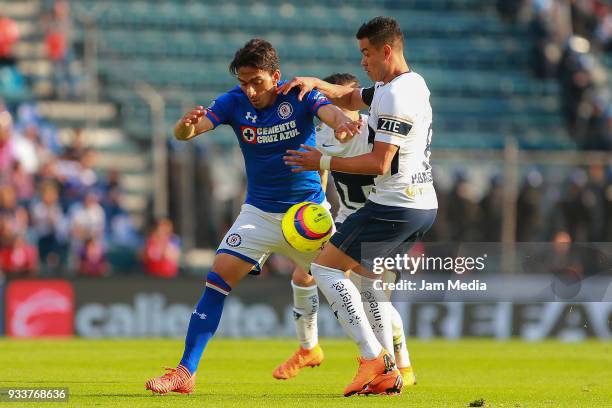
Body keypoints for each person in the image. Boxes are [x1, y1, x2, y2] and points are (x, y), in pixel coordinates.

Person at [144, 38, 359, 395]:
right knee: (218, 277)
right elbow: (187, 133)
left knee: (344, 287)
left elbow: (330, 111)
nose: (250, 90)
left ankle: (376, 360)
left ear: (275, 76)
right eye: (244, 82)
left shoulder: (299, 95)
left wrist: (340, 123)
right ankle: (185, 372)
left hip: (307, 216)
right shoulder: (233, 102)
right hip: (258, 212)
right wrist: (184, 127)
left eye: (256, 81)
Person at [280, 16, 437, 396]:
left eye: (366, 53)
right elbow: (351, 97)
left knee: (324, 269)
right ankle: (391, 371)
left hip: (395, 203)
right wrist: (318, 86)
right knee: (368, 287)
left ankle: (373, 359)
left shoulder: (398, 96)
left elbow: (379, 163)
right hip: (420, 204)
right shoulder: (402, 84)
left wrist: (322, 161)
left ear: (387, 50)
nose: (363, 61)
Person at [273, 72, 416, 386]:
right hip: (346, 219)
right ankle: (308, 348)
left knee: (374, 296)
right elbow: (319, 179)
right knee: (304, 274)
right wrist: (316, 213)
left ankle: (400, 364)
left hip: (380, 220)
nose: (343, 112)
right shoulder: (323, 135)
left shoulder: (375, 132)